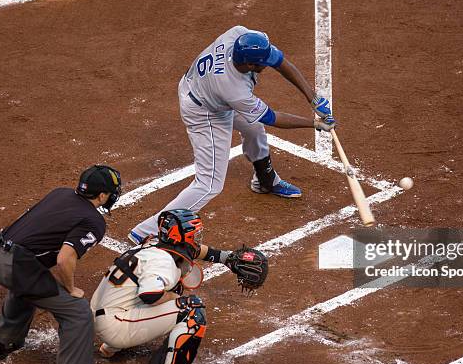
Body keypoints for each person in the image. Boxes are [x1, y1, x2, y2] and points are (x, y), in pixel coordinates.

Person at [129, 25, 337, 244]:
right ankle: (147, 231)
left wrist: (313, 99)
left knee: (253, 127)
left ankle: (265, 180)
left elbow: (280, 62)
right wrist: (314, 123)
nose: (266, 66)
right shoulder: (233, 89)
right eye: (261, 64)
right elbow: (272, 117)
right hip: (204, 111)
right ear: (248, 64)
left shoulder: (238, 35)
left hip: (204, 89)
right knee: (209, 185)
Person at [91, 209, 268, 364]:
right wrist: (176, 298)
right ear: (182, 236)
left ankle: (111, 348)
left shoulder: (151, 244)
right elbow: (149, 296)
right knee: (192, 310)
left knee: (167, 287)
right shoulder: (164, 262)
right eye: (194, 234)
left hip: (100, 316)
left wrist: (225, 257)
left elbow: (194, 250)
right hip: (114, 326)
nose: (197, 238)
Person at [0, 165, 122, 364]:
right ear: (102, 196)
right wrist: (71, 288)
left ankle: (0, 341)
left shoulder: (60, 192)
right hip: (15, 265)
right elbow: (64, 259)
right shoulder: (94, 221)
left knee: (35, 282)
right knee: (78, 311)